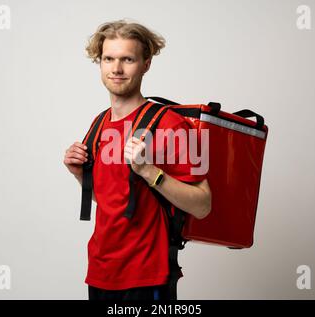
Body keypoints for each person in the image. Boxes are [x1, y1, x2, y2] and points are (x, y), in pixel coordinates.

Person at [63, 19, 211, 301]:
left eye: (127, 59)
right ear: (100, 63)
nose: (116, 69)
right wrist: (79, 174)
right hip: (101, 270)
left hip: (147, 275)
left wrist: (149, 171)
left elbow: (203, 205)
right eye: (109, 58)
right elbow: (113, 199)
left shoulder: (171, 124)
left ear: (146, 64)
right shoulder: (98, 123)